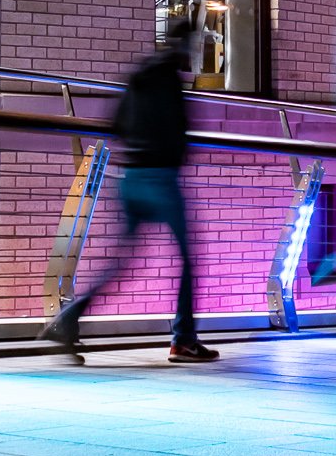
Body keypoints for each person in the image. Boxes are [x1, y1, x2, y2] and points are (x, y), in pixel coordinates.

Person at [39, 19, 219, 365]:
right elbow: (178, 130)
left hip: (129, 177)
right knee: (188, 260)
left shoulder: (138, 74)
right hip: (161, 179)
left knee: (120, 262)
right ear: (183, 45)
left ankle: (68, 319)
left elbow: (117, 124)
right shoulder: (169, 79)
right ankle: (183, 340)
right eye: (193, 45)